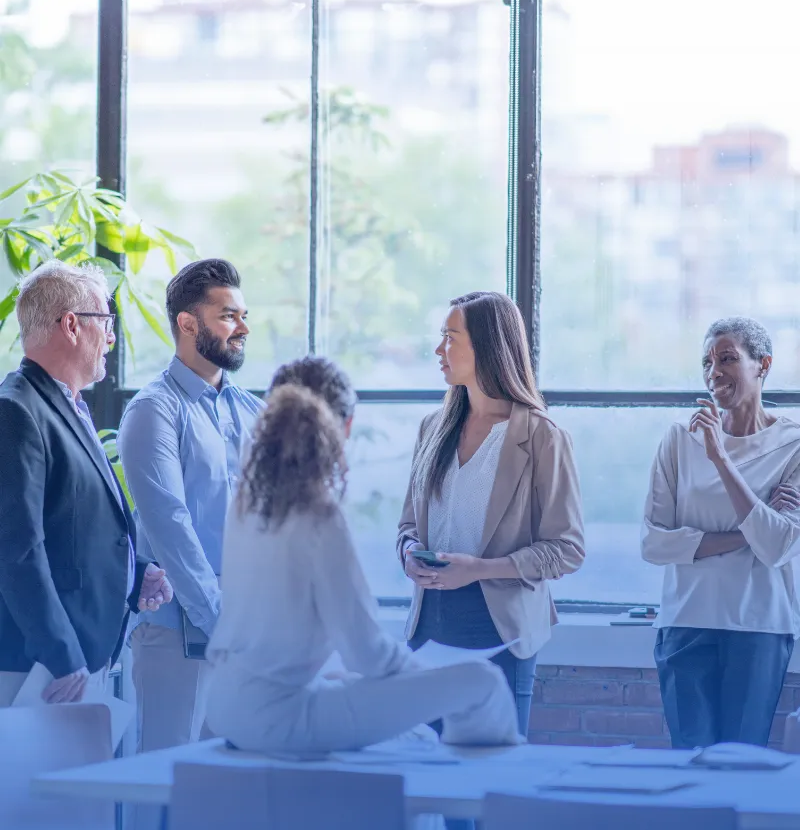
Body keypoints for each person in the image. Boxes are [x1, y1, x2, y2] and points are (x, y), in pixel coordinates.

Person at [205, 367, 524, 755]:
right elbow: (366, 654)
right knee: (482, 681)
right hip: (279, 718)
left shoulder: (246, 502)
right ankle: (474, 799)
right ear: (345, 426)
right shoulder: (317, 514)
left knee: (392, 716)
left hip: (223, 704)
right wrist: (428, 678)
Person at [397, 291, 585, 739]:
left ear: (487, 345)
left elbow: (568, 548)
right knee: (433, 773)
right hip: (430, 626)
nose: (439, 350)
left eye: (450, 338)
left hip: (499, 632)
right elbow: (408, 525)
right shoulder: (432, 428)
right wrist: (407, 553)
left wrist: (480, 570)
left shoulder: (542, 437)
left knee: (486, 774)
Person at [0, 261, 172, 706]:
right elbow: (16, 548)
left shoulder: (67, 405)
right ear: (72, 325)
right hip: (40, 667)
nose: (112, 338)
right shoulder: (15, 411)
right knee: (33, 778)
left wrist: (135, 579)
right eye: (107, 322)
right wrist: (60, 651)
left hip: (78, 656)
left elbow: (73, 530)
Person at [117, 259, 262, 760]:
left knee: (231, 792)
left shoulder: (252, 411)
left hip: (245, 634)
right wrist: (222, 622)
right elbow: (169, 524)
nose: (243, 328)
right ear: (187, 323)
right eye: (228, 316)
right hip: (176, 634)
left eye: (243, 315)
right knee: (164, 787)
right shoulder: (153, 409)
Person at [642, 317, 800, 749]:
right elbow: (653, 544)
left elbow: (781, 547)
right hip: (685, 622)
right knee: (689, 764)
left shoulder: (794, 445)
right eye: (707, 362)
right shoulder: (678, 440)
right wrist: (748, 533)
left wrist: (720, 459)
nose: (714, 372)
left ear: (763, 364)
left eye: (728, 358)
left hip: (759, 626)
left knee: (740, 763)